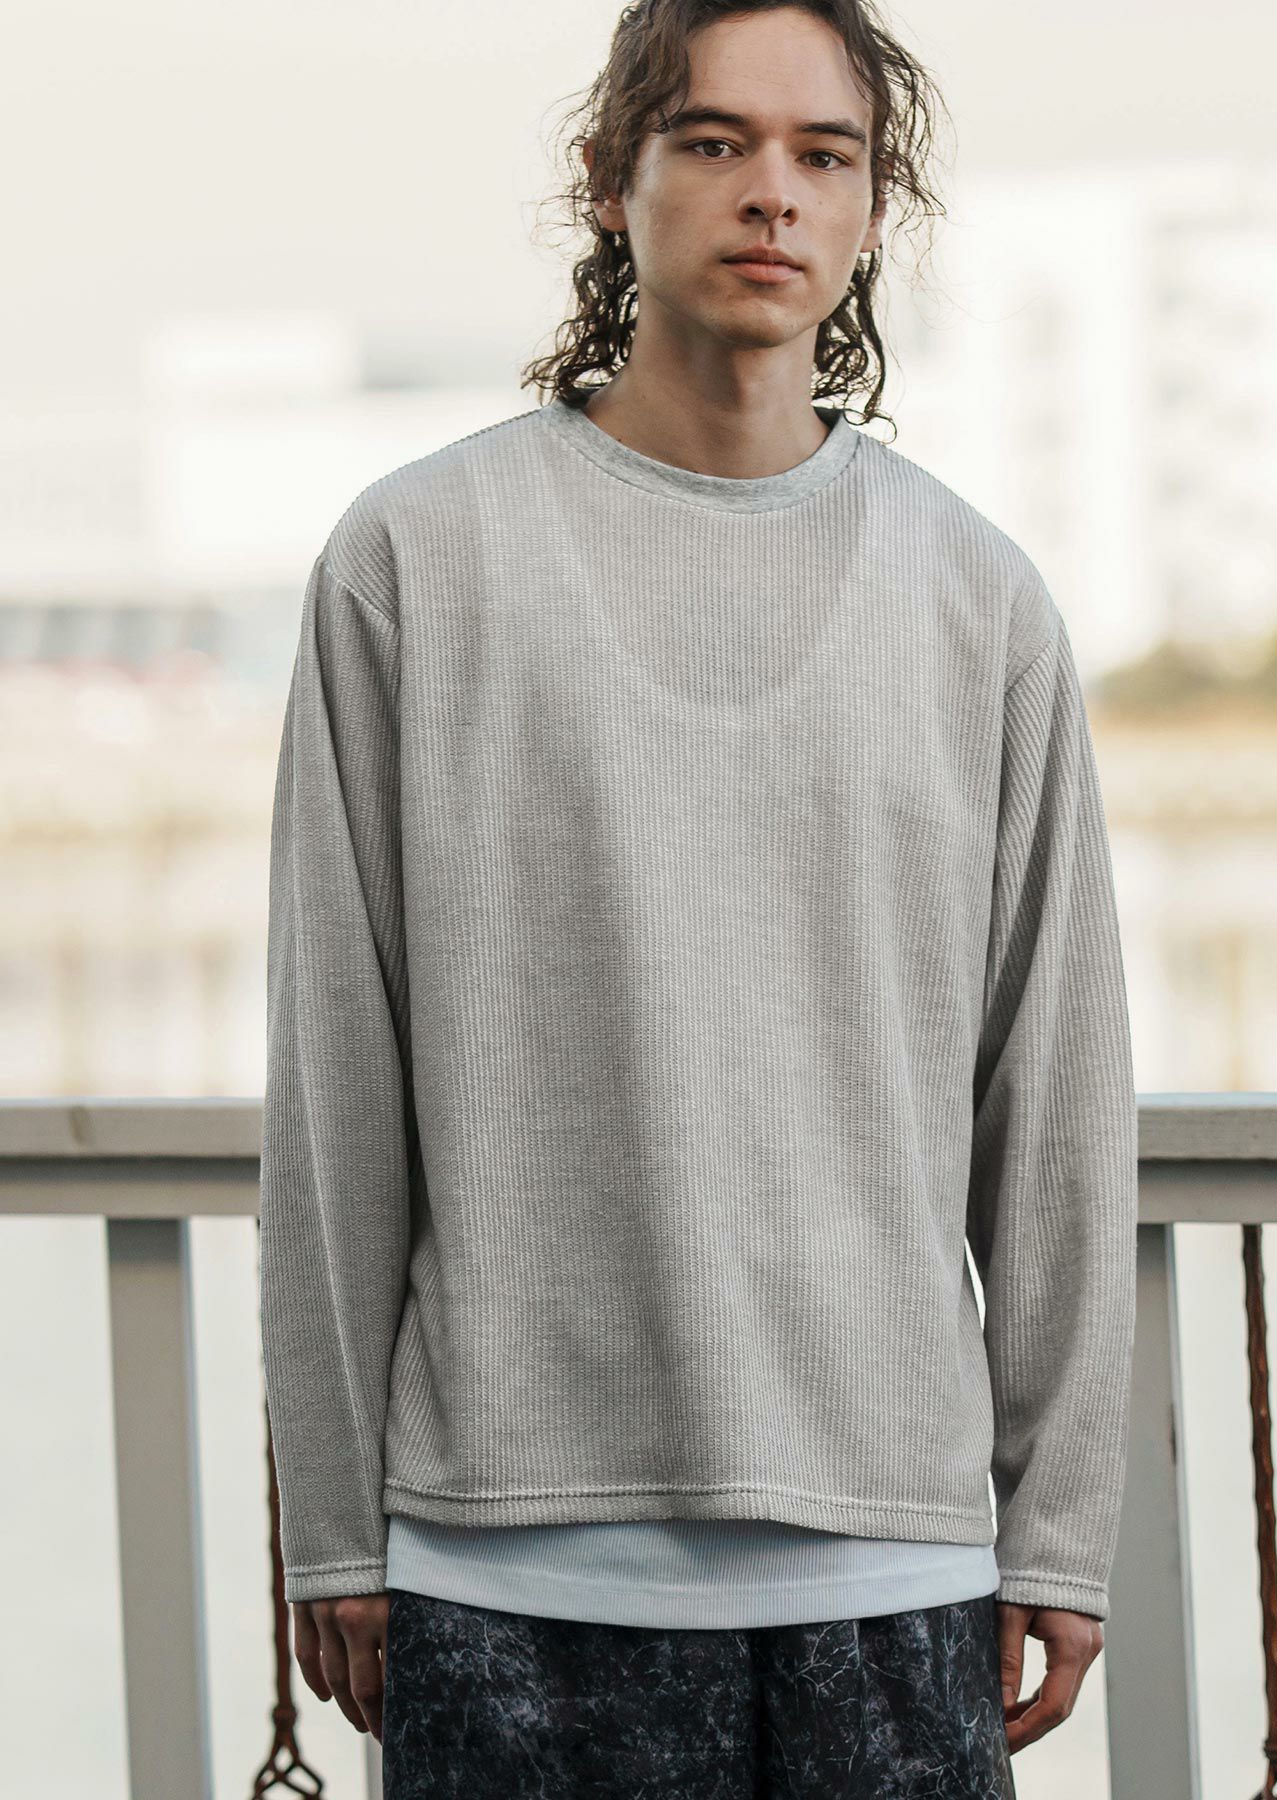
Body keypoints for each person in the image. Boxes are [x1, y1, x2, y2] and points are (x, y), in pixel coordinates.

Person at [257, 0, 1139, 1792]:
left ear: (875, 208)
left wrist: (1058, 1520)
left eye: (826, 155)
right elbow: (334, 1080)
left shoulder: (979, 602)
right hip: (502, 1571)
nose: (773, 194)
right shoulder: (414, 563)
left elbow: (1054, 1096)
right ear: (612, 179)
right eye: (716, 141)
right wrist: (334, 1516)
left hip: (894, 1564)